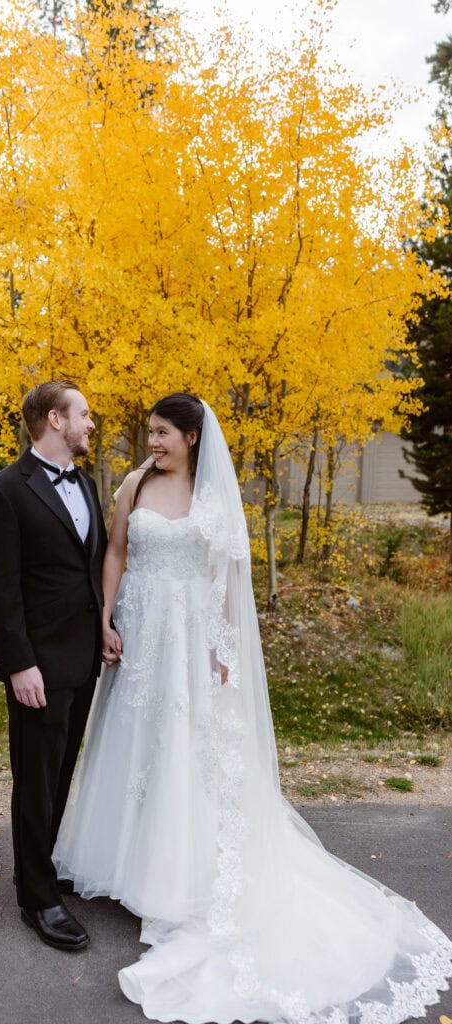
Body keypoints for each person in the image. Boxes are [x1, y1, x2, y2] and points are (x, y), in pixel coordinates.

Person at [54, 392, 452, 1022]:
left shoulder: (215, 498)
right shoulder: (133, 483)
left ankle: (175, 871)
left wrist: (225, 653)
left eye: (162, 434)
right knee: (131, 744)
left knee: (183, 748)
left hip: (189, 641)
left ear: (190, 438)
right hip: (140, 633)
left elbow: (227, 578)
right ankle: (124, 861)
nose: (152, 443)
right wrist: (105, 617)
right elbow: (117, 553)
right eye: (149, 433)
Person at [0, 380, 107, 953]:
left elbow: (89, 567)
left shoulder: (85, 482)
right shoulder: (5, 490)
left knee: (58, 775)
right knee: (35, 778)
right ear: (55, 420)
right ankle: (37, 899)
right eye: (83, 414)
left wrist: (105, 629)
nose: (90, 424)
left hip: (82, 659)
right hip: (38, 667)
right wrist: (19, 664)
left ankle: (41, 869)